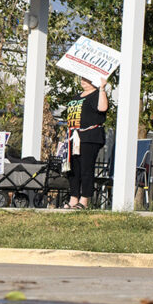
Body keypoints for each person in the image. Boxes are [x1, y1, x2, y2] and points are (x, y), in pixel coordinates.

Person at [65, 74, 109, 209]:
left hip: (90, 137)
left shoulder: (97, 94)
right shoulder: (76, 97)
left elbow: (102, 108)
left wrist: (102, 88)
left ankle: (84, 200)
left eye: (88, 79)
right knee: (73, 169)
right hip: (74, 137)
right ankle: (73, 199)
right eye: (83, 78)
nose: (84, 81)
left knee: (86, 168)